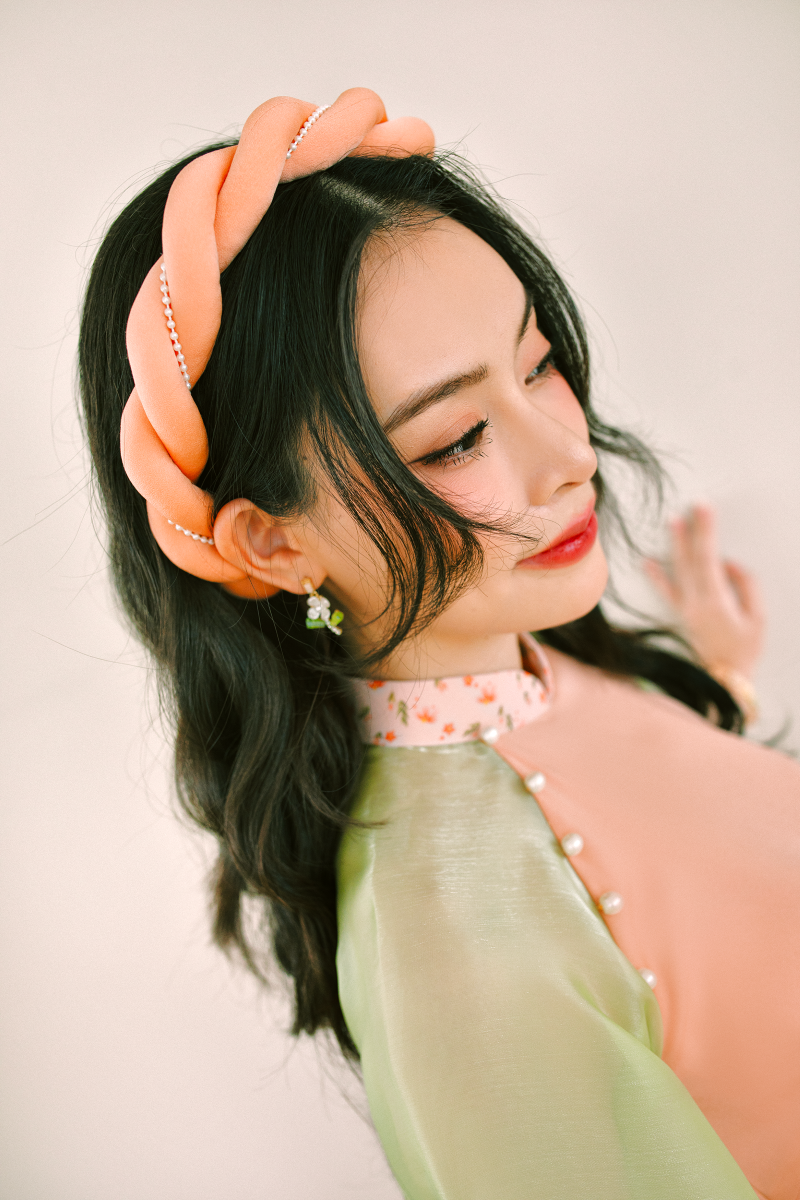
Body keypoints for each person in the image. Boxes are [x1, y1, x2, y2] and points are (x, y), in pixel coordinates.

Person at [78, 89, 799, 1199]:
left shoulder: (527, 667)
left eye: (537, 362)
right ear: (273, 542)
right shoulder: (462, 956)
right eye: (457, 437)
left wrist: (712, 689)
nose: (569, 456)